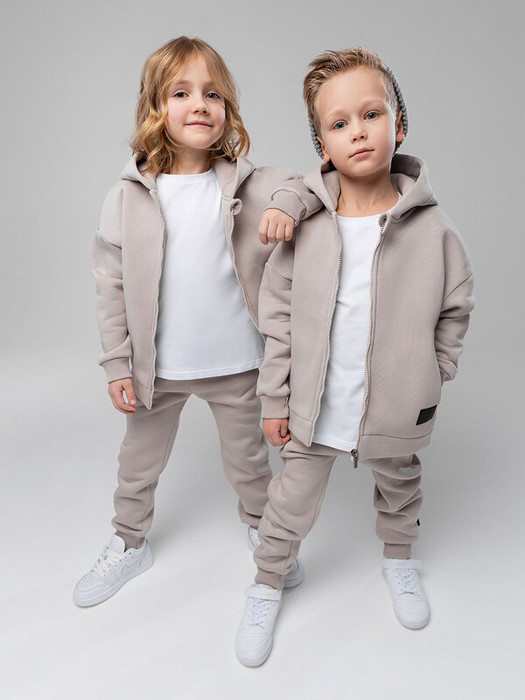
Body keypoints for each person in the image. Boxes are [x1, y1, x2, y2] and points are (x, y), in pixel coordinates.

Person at [235, 47, 474, 666]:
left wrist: (434, 373)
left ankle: (400, 560)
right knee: (289, 501)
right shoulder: (308, 227)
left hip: (395, 404)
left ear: (401, 124)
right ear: (323, 144)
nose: (358, 132)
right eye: (339, 124)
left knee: (400, 487)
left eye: (372, 114)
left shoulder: (434, 230)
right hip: (314, 405)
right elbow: (278, 322)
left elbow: (456, 306)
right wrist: (274, 398)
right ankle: (267, 583)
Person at [73, 36, 315, 607]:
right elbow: (111, 286)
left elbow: (309, 186)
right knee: (137, 464)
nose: (199, 104)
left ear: (227, 107)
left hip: (238, 365)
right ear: (155, 107)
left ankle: (266, 533)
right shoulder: (126, 197)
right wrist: (117, 363)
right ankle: (129, 542)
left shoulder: (250, 183)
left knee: (249, 462)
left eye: (212, 93)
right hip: (157, 371)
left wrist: (286, 207)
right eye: (181, 93)